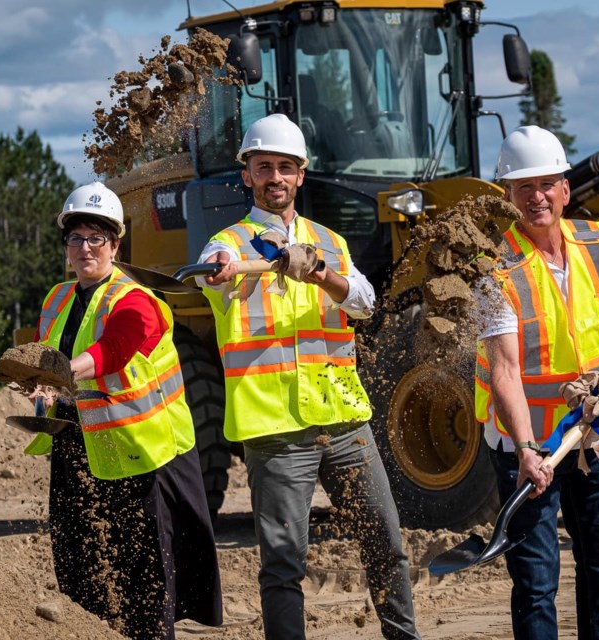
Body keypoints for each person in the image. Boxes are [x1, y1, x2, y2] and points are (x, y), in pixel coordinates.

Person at [197, 113, 421, 640]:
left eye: (285, 167)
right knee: (283, 567)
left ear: (300, 175)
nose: (275, 177)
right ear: (248, 175)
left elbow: (365, 303)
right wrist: (229, 268)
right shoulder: (226, 244)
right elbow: (216, 268)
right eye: (264, 166)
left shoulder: (331, 243)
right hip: (275, 433)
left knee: (387, 547)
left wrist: (321, 273)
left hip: (344, 421)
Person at [475, 126, 599, 639]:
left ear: (563, 188)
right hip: (529, 447)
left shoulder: (596, 244)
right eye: (522, 187)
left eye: (546, 184)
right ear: (508, 197)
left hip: (594, 435)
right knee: (536, 582)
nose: (536, 196)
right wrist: (527, 450)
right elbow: (505, 371)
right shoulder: (493, 270)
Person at [24, 182, 222, 640]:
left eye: (97, 238)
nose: (85, 247)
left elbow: (114, 350)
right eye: (76, 237)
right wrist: (42, 390)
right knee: (81, 577)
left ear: (116, 244)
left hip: (141, 456)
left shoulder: (138, 300)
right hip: (78, 450)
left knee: (145, 584)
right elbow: (49, 361)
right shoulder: (56, 300)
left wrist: (61, 372)